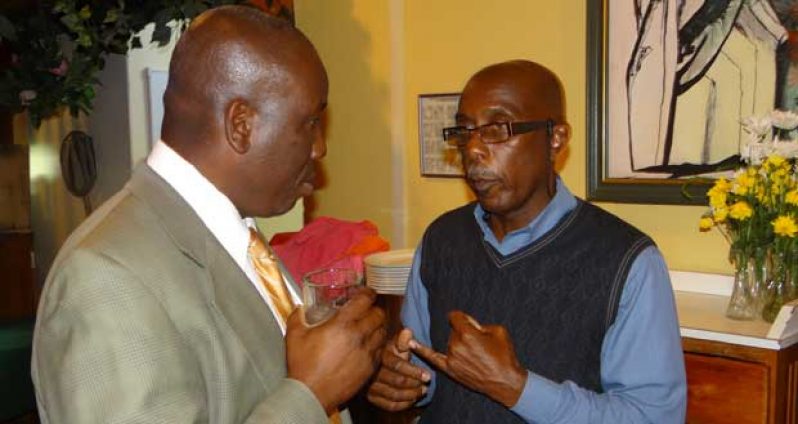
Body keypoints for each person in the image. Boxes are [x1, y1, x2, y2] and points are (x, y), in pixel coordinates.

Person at [32, 6, 386, 424]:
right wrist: (309, 394)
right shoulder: (105, 278)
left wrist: (359, 373)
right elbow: (302, 389)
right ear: (241, 124)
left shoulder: (240, 240)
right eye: (309, 121)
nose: (319, 148)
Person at [367, 60, 686, 423]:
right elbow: (427, 375)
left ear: (555, 139)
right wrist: (406, 385)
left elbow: (653, 417)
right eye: (465, 131)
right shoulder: (441, 240)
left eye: (498, 129)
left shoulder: (628, 263)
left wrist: (517, 388)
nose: (472, 149)